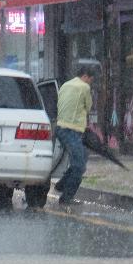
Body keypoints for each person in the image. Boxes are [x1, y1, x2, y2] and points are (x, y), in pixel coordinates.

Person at [53, 59, 98, 205]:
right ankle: (66, 198)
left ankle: (61, 185)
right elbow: (89, 106)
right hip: (71, 130)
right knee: (79, 166)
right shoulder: (84, 87)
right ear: (86, 76)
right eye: (91, 80)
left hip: (60, 128)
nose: (90, 83)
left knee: (81, 158)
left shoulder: (66, 85)